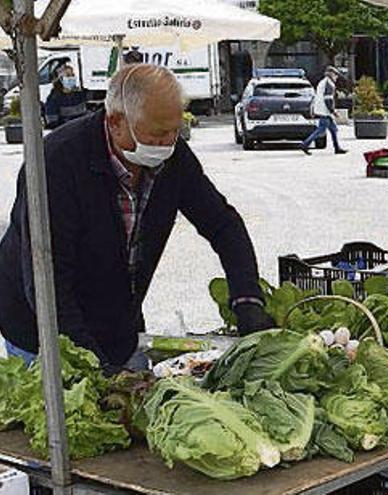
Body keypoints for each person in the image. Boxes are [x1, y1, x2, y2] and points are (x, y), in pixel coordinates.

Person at [0, 64, 274, 371]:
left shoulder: (174, 157)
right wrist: (97, 369)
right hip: (39, 331)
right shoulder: (57, 163)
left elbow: (223, 225)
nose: (169, 143)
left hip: (118, 321)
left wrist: (247, 299)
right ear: (116, 122)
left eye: (175, 131)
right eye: (158, 133)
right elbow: (48, 286)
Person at [301, 66, 347, 155]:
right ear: (331, 74)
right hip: (325, 111)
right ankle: (305, 144)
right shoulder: (328, 84)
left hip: (323, 110)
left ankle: (337, 148)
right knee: (321, 130)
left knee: (333, 129)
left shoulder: (323, 82)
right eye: (336, 74)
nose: (337, 77)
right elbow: (328, 99)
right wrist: (333, 111)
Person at [44, 65, 88, 130]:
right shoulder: (53, 99)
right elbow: (52, 124)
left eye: (72, 75)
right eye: (68, 75)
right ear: (61, 79)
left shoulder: (79, 94)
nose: (71, 78)